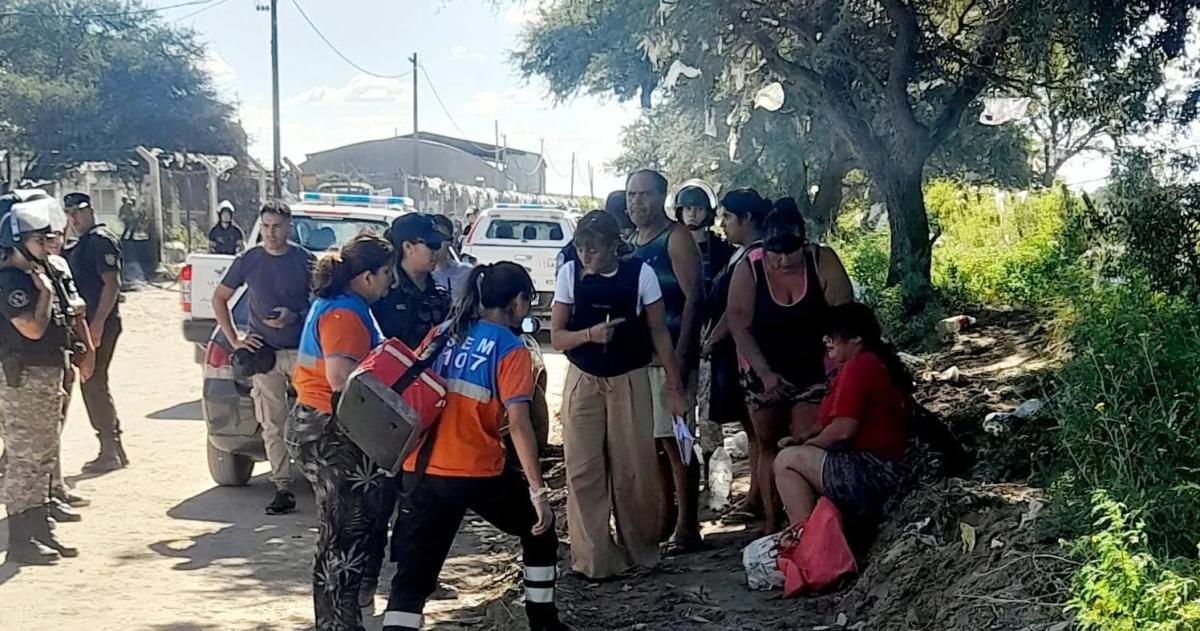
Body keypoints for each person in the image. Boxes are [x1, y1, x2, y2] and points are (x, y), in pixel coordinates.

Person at [384, 262, 569, 631]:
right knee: (539, 529)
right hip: (475, 470)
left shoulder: (441, 334)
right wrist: (537, 492)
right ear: (517, 302)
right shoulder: (510, 349)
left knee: (413, 577)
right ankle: (543, 622)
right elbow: (518, 424)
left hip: (422, 469)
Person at [551, 210, 686, 580]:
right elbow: (557, 336)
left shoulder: (640, 274)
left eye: (593, 249)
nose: (586, 256)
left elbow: (659, 332)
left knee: (634, 467)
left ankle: (641, 552)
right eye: (580, 249)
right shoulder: (569, 275)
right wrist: (589, 335)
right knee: (582, 469)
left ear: (614, 245)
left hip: (630, 377)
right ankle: (593, 559)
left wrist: (675, 387)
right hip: (584, 377)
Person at [288, 234, 396, 631]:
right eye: (386, 273)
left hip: (324, 426)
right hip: (334, 432)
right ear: (365, 276)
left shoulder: (343, 304)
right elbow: (340, 379)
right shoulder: (346, 314)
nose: (390, 282)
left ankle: (338, 620)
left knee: (345, 533)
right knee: (345, 536)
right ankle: (337, 623)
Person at [727, 204, 855, 534]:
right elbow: (739, 324)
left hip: (814, 367)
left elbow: (844, 319)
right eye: (775, 253)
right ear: (763, 248)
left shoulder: (822, 260)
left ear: (805, 243)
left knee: (802, 442)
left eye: (791, 251)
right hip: (762, 367)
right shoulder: (750, 267)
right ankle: (772, 524)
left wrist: (837, 371)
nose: (784, 261)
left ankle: (807, 522)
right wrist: (766, 374)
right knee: (768, 444)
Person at [363, 213, 453, 608]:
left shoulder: (438, 294)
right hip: (383, 411)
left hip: (426, 410)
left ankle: (413, 581)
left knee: (420, 502)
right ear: (408, 248)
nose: (438, 251)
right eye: (431, 245)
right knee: (375, 502)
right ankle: (365, 583)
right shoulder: (380, 294)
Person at [213, 201, 316, 515]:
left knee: (312, 420)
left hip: (302, 350)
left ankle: (319, 481)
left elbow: (321, 302)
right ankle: (283, 486)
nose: (271, 233)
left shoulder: (304, 260)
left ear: (289, 227)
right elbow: (220, 299)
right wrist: (237, 342)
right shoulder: (249, 259)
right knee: (272, 423)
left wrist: (294, 315)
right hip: (263, 354)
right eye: (267, 226)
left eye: (277, 226)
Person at [0, 193, 83, 563]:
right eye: (38, 239)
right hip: (23, 378)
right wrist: (45, 296)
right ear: (19, 242)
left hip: (47, 375)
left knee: (44, 454)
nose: (46, 245)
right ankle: (19, 539)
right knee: (24, 459)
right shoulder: (12, 280)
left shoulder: (42, 272)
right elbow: (32, 329)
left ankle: (39, 527)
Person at [774, 303, 910, 526]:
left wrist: (809, 446)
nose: (825, 339)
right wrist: (802, 439)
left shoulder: (861, 366)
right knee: (791, 458)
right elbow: (830, 420)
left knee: (787, 460)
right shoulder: (861, 364)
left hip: (877, 470)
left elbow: (843, 430)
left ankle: (806, 537)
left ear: (856, 337)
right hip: (878, 465)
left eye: (832, 333)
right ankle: (809, 532)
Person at [627, 169, 705, 553]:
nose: (636, 203)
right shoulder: (634, 242)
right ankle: (664, 519)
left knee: (679, 443)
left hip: (671, 359)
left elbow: (695, 299)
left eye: (644, 195)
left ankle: (689, 526)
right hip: (643, 359)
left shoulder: (676, 239)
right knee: (656, 443)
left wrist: (685, 356)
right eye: (631, 195)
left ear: (661, 197)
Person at [702, 189, 770, 524]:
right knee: (752, 428)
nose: (724, 224)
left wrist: (712, 340)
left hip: (744, 354)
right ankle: (756, 495)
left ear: (747, 219)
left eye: (729, 217)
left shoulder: (753, 256)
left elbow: (736, 309)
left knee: (758, 431)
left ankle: (758, 498)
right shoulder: (740, 253)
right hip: (736, 352)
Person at [64, 192, 129, 473]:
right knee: (94, 381)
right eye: (69, 214)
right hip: (87, 323)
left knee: (93, 381)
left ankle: (109, 449)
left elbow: (112, 284)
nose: (73, 219)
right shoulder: (80, 243)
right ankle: (114, 448)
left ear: (90, 210)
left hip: (98, 323)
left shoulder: (100, 240)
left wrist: (98, 323)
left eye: (77, 213)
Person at [45, 221, 95, 513]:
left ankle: (55, 488)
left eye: (57, 235)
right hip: (21, 366)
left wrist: (87, 350)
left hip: (59, 356)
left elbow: (78, 311)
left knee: (54, 426)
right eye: (46, 236)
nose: (53, 241)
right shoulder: (17, 271)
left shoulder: (60, 267)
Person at [675, 184, 735, 296]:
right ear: (680, 212)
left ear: (708, 213)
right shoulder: (671, 245)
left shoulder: (722, 248)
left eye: (699, 209)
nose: (692, 214)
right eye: (688, 209)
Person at [556, 191, 635, 272]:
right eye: (624, 233)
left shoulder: (632, 260)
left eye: (631, 233)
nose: (585, 259)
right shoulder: (569, 260)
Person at [429, 214, 473, 300]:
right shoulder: (416, 277)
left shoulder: (466, 273)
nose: (434, 244)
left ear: (450, 241)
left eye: (439, 238)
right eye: (430, 239)